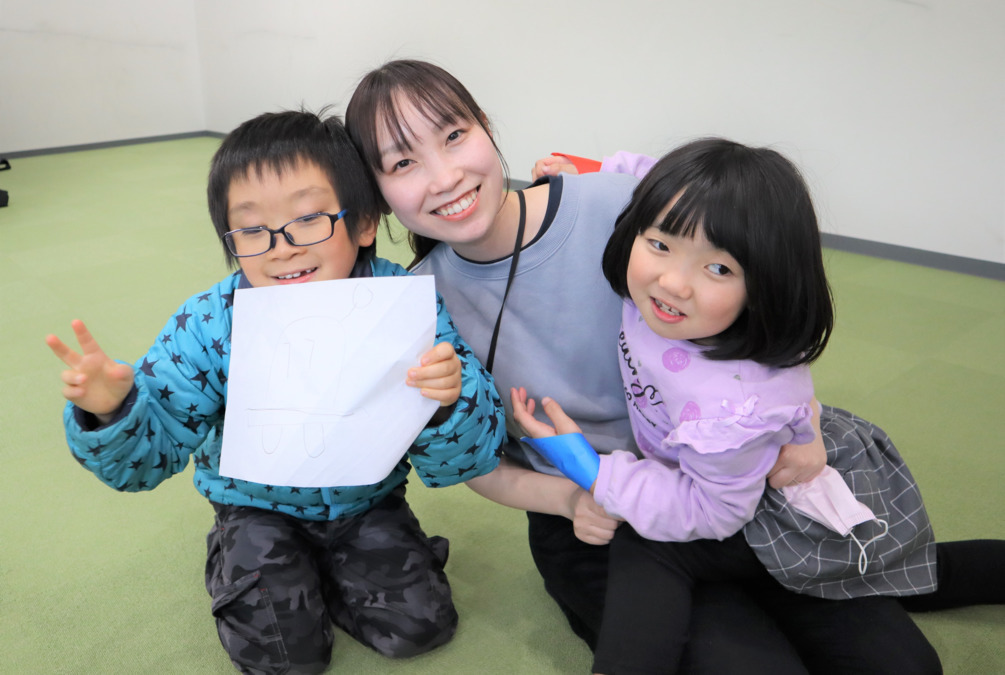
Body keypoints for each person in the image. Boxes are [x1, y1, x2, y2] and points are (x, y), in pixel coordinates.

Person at [345, 59, 829, 673]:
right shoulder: (417, 310)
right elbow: (475, 463)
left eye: (454, 136)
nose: (445, 177)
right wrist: (572, 499)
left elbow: (762, 292)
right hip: (593, 515)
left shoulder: (618, 204)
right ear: (377, 192)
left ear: (486, 127)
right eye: (403, 163)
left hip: (719, 468)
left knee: (887, 652)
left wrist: (807, 418)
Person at [514, 138, 1005, 674]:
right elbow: (652, 177)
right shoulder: (664, 279)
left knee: (906, 581)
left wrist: (593, 470)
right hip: (732, 472)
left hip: (770, 501)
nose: (673, 282)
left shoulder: (730, 406)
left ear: (764, 283)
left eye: (719, 269)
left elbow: (713, 512)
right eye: (660, 244)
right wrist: (588, 169)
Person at [45, 110, 505, 674]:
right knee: (284, 660)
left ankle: (333, 575)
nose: (281, 247)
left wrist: (448, 401)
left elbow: (472, 453)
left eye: (308, 219)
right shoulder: (209, 324)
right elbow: (147, 461)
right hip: (255, 509)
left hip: (368, 501)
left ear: (363, 223)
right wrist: (112, 411)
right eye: (251, 230)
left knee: (422, 628)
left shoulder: (403, 304)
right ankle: (235, 554)